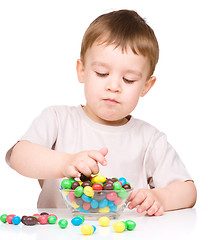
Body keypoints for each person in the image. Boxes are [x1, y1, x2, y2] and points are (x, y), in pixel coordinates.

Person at [6, 9, 197, 216]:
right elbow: (19, 156)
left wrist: (161, 197)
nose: (114, 86)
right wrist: (65, 163)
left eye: (129, 79)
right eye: (102, 73)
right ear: (82, 71)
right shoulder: (58, 120)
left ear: (146, 86)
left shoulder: (149, 139)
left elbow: (188, 191)